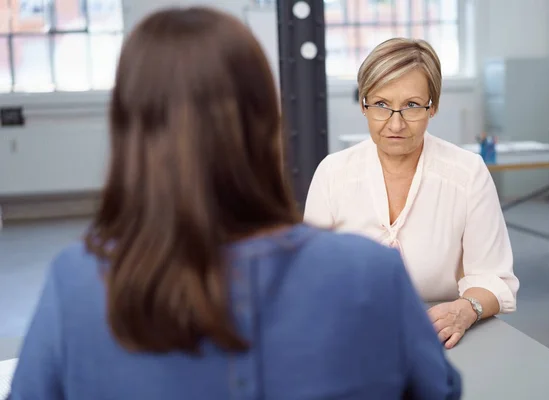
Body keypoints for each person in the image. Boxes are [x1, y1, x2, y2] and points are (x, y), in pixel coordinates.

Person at [9, 8, 461, 400]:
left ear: (127, 135)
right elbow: (438, 389)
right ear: (268, 126)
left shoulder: (79, 284)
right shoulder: (371, 274)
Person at [304, 38, 520, 349]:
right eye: (381, 105)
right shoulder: (333, 174)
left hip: (441, 339)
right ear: (364, 105)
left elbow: (495, 277)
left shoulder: (467, 174)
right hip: (350, 336)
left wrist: (466, 309)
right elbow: (310, 278)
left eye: (412, 105)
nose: (395, 123)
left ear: (433, 107)